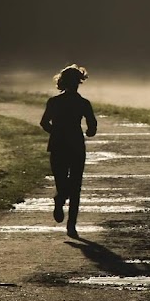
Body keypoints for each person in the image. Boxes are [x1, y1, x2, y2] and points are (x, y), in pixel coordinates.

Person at [39, 64, 98, 238]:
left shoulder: (54, 102)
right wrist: (88, 132)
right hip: (76, 145)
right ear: (78, 83)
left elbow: (44, 123)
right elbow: (92, 126)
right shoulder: (83, 103)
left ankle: (60, 201)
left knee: (62, 182)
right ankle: (71, 224)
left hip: (57, 145)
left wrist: (56, 132)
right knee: (75, 187)